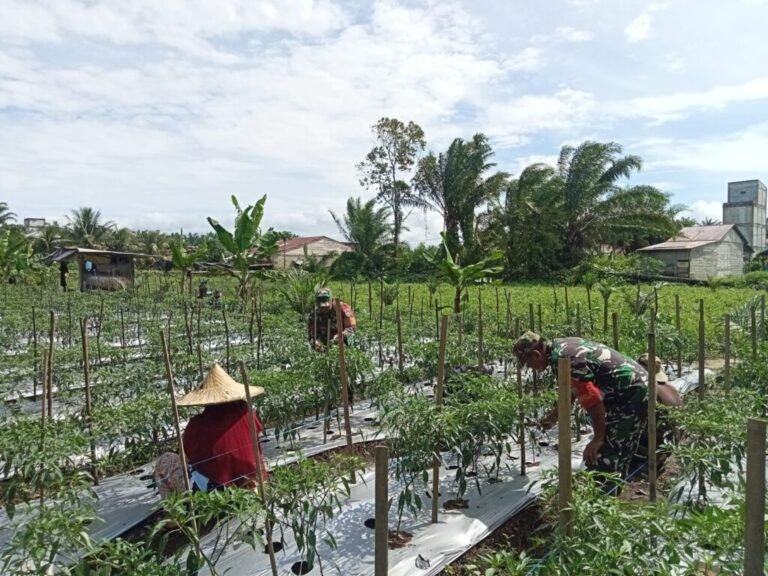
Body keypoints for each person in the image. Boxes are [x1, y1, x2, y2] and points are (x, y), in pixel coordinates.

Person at [513, 331, 650, 488]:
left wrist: (597, 439)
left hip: (631, 394)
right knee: (621, 447)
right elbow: (573, 389)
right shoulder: (561, 347)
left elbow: (594, 402)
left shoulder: (567, 361)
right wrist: (554, 415)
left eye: (528, 364)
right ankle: (613, 490)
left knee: (604, 454)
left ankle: (602, 499)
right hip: (633, 388)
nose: (531, 369)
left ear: (536, 355)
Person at [153, 363, 268, 496]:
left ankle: (180, 510)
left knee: (165, 460)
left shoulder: (198, 425)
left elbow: (188, 456)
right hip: (253, 480)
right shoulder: (250, 416)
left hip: (218, 490)